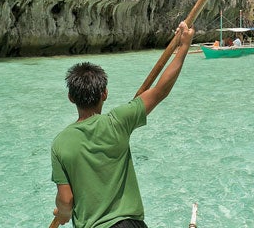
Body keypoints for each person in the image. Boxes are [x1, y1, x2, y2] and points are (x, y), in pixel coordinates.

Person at [50, 21, 195, 227]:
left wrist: (63, 213)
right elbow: (161, 90)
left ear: (71, 98)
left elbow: (66, 200)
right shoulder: (118, 121)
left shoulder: (60, 144)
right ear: (105, 94)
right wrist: (184, 47)